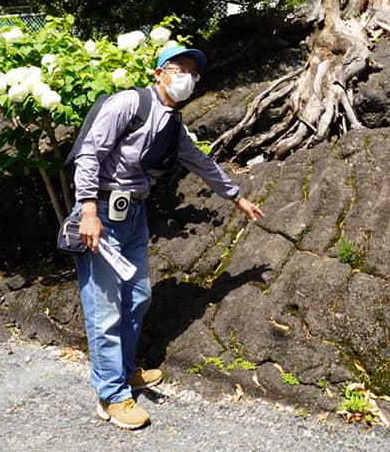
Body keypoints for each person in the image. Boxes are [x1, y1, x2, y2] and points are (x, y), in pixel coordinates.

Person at [72, 45, 264, 430]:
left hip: (133, 214)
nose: (187, 78)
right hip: (101, 212)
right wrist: (88, 211)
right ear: (159, 72)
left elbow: (201, 161)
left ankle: (125, 370)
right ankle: (110, 395)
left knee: (138, 296)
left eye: (193, 73)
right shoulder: (128, 104)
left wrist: (237, 197)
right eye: (180, 69)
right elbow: (89, 154)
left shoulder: (173, 123)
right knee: (104, 307)